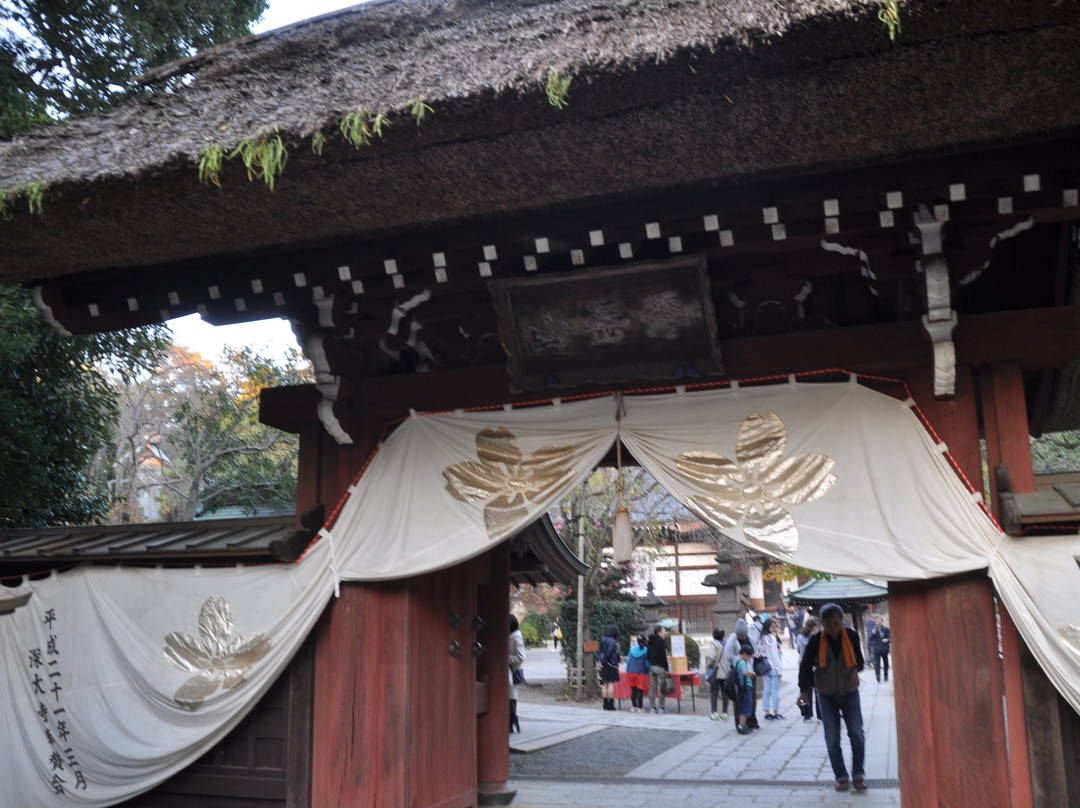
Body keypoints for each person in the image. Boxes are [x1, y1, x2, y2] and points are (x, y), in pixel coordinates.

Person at [798, 603, 867, 793]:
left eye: (837, 624)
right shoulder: (816, 640)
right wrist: (803, 690)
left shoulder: (851, 636)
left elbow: (860, 661)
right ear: (822, 623)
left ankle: (858, 775)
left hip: (849, 691)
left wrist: (854, 669)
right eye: (829, 625)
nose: (833, 629)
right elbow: (805, 667)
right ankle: (842, 777)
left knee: (857, 735)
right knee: (832, 739)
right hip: (826, 694)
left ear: (841, 621)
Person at [724, 618, 761, 729]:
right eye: (741, 635)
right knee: (739, 699)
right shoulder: (731, 641)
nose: (743, 637)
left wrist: (755, 655)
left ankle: (752, 722)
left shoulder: (751, 639)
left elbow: (756, 650)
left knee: (751, 699)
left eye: (744, 635)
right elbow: (729, 656)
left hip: (751, 672)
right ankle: (740, 723)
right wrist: (742, 658)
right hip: (739, 674)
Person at [758, 617, 784, 720]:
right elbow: (775, 655)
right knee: (775, 691)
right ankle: (776, 712)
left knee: (766, 689)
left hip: (765, 666)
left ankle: (767, 712)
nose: (774, 628)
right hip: (773, 666)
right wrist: (779, 670)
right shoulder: (771, 638)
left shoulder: (761, 638)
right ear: (768, 627)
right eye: (772, 627)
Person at [797, 617, 820, 722]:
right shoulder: (813, 637)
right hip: (813, 665)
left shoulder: (800, 637)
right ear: (814, 627)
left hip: (804, 665)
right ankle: (821, 714)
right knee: (817, 691)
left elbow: (800, 651)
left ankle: (807, 715)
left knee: (806, 691)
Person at [705, 627, 729, 720]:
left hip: (716, 672)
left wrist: (708, 664)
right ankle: (725, 713)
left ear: (713, 636)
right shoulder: (727, 644)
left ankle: (714, 713)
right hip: (725, 672)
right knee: (725, 693)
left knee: (714, 692)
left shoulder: (714, 645)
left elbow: (711, 657)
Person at [734, 642, 757, 735]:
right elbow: (744, 672)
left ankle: (741, 725)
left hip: (739, 686)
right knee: (747, 707)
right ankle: (742, 727)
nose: (749, 658)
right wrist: (751, 673)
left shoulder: (735, 661)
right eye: (749, 656)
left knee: (741, 707)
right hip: (746, 686)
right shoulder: (742, 662)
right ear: (744, 654)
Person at [646, 625, 669, 714]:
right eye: (663, 631)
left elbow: (648, 655)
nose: (665, 633)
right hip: (660, 667)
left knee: (652, 687)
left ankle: (652, 707)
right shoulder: (661, 642)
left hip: (652, 667)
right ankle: (662, 707)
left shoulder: (651, 641)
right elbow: (663, 656)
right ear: (659, 632)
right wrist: (666, 667)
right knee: (661, 688)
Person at [509, 614, 525, 734]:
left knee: (510, 698)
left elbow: (520, 656)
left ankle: (511, 721)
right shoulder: (511, 636)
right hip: (508, 671)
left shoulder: (515, 637)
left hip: (510, 671)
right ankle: (512, 720)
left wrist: (506, 659)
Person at [599, 623, 621, 710]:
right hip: (611, 664)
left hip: (604, 664)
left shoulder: (603, 639)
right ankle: (611, 705)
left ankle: (605, 704)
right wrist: (606, 660)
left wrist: (601, 661)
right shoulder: (612, 641)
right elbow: (609, 652)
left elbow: (600, 651)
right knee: (611, 684)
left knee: (605, 684)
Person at [626, 634, 650, 712]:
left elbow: (628, 661)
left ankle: (634, 706)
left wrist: (627, 671)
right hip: (640, 673)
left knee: (633, 690)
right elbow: (647, 663)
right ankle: (640, 708)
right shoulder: (646, 650)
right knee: (640, 690)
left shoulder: (632, 649)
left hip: (631, 672)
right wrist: (647, 670)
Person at [868, 614, 891, 682]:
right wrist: (872, 633)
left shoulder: (886, 629)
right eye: (876, 621)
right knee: (877, 663)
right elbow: (870, 638)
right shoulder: (873, 630)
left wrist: (887, 640)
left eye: (879, 620)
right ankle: (877, 676)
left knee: (886, 663)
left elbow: (890, 637)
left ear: (882, 621)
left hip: (885, 648)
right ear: (875, 622)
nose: (878, 622)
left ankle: (885, 676)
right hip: (876, 649)